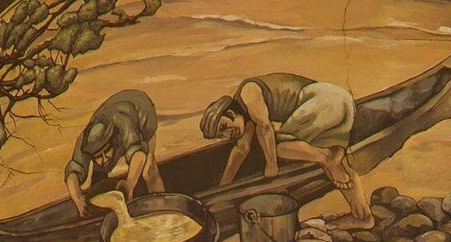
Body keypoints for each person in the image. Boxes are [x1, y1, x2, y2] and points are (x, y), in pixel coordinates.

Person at [204, 74, 373, 221]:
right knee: (341, 167)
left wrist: (272, 165)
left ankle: (327, 156)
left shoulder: (248, 92)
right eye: (221, 136)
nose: (227, 135)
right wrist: (222, 188)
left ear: (230, 113)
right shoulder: (245, 116)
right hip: (339, 102)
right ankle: (363, 217)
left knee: (281, 148)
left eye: (223, 127)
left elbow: (265, 127)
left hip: (323, 101)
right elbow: (241, 150)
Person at [68, 87, 163, 207]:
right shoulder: (85, 142)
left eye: (106, 151)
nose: (104, 158)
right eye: (98, 156)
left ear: (113, 141)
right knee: (99, 180)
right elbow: (73, 173)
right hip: (114, 110)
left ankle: (160, 206)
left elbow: (138, 155)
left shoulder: (124, 127)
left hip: (141, 111)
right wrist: (78, 199)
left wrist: (129, 184)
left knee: (148, 172)